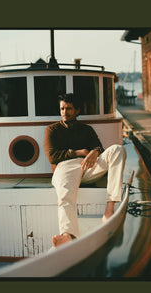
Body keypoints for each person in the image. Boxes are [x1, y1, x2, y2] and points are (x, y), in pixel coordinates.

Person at [44, 93, 126, 247]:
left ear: (77, 111)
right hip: (65, 168)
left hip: (87, 169)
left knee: (117, 150)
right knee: (65, 194)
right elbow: (52, 157)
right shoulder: (52, 130)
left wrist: (95, 151)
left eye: (69, 108)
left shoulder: (86, 129)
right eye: (62, 108)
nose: (64, 112)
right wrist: (79, 152)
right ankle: (68, 234)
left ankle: (109, 209)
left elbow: (98, 146)